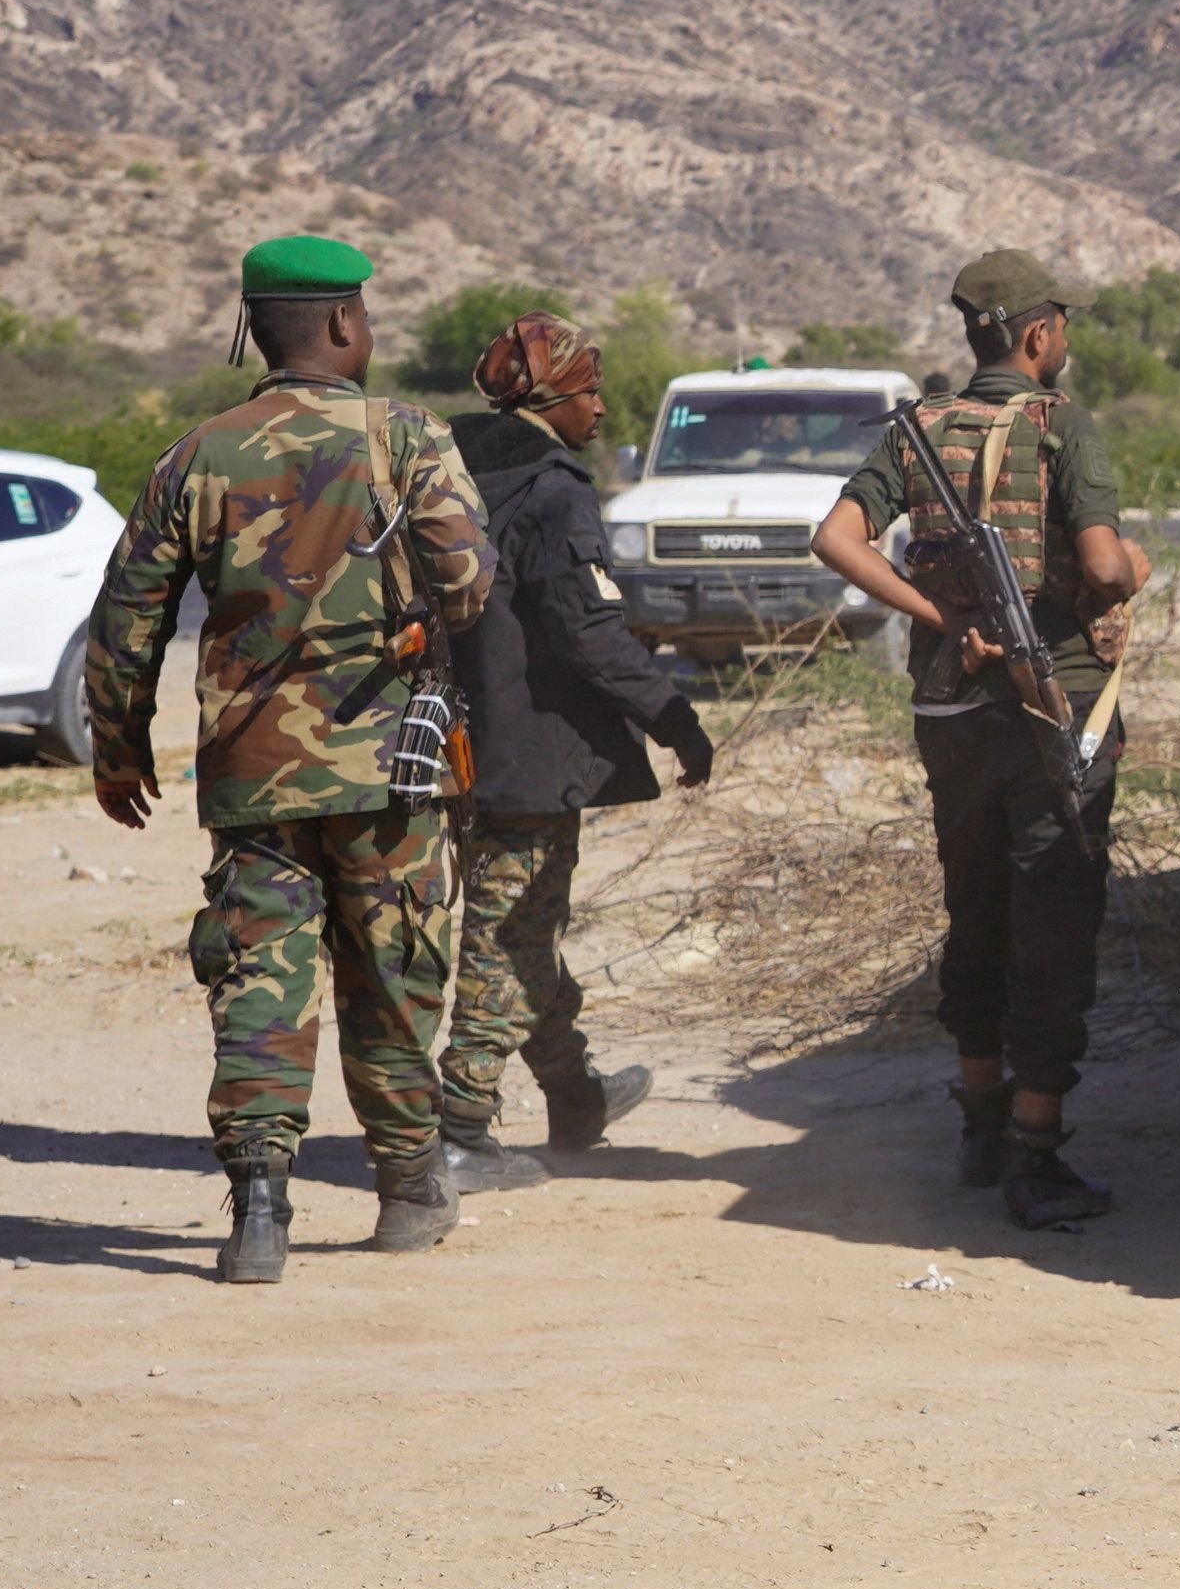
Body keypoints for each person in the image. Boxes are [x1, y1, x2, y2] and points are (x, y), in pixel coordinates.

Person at [82, 234, 494, 1284]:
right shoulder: (407, 437)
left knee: (263, 976)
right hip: (390, 768)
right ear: (346, 324)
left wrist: (118, 749)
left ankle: (259, 1208)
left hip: (250, 770)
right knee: (395, 967)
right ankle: (408, 1189)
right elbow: (470, 579)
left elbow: (128, 616)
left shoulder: (197, 452)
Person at [810, 250, 1144, 1228]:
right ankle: (1036, 1154)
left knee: (977, 904)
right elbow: (1098, 563)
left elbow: (835, 537)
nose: (1066, 341)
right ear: (1038, 334)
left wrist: (943, 622)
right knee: (1055, 918)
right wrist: (1132, 568)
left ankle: (979, 1123)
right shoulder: (1061, 425)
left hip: (950, 711)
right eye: (1063, 326)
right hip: (1058, 713)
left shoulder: (918, 429)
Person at [431, 312, 714, 1191]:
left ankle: (573, 1094)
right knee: (508, 934)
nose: (601, 405)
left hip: (454, 739)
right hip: (532, 751)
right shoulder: (555, 490)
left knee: (526, 917)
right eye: (590, 389)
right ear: (551, 397)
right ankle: (462, 1129)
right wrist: (674, 717)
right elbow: (587, 628)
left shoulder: (448, 470)